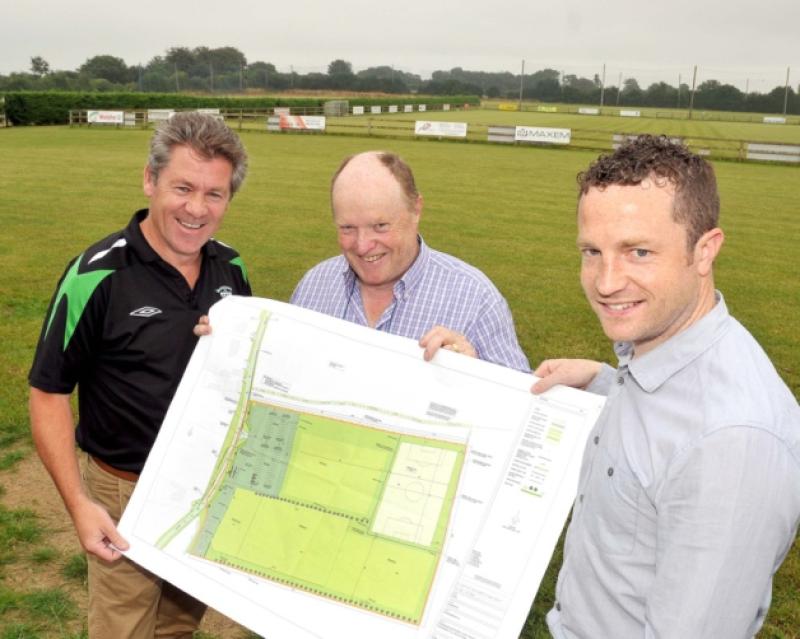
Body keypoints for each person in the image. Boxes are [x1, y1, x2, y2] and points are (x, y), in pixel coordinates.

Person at [532, 135, 800, 638]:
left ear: (704, 251)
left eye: (638, 251)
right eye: (593, 251)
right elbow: (662, 436)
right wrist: (600, 381)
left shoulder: (730, 444)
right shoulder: (658, 359)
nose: (606, 281)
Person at [28, 112, 251, 638]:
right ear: (150, 180)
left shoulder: (232, 270)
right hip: (123, 493)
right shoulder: (97, 274)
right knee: (123, 628)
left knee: (178, 623)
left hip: (202, 488)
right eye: (183, 187)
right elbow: (47, 394)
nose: (197, 209)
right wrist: (79, 504)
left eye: (214, 194)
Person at [290, 150, 529, 371]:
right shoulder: (313, 286)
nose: (362, 245)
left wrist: (474, 372)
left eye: (380, 226)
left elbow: (524, 403)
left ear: (416, 210)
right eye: (347, 228)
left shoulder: (476, 299)